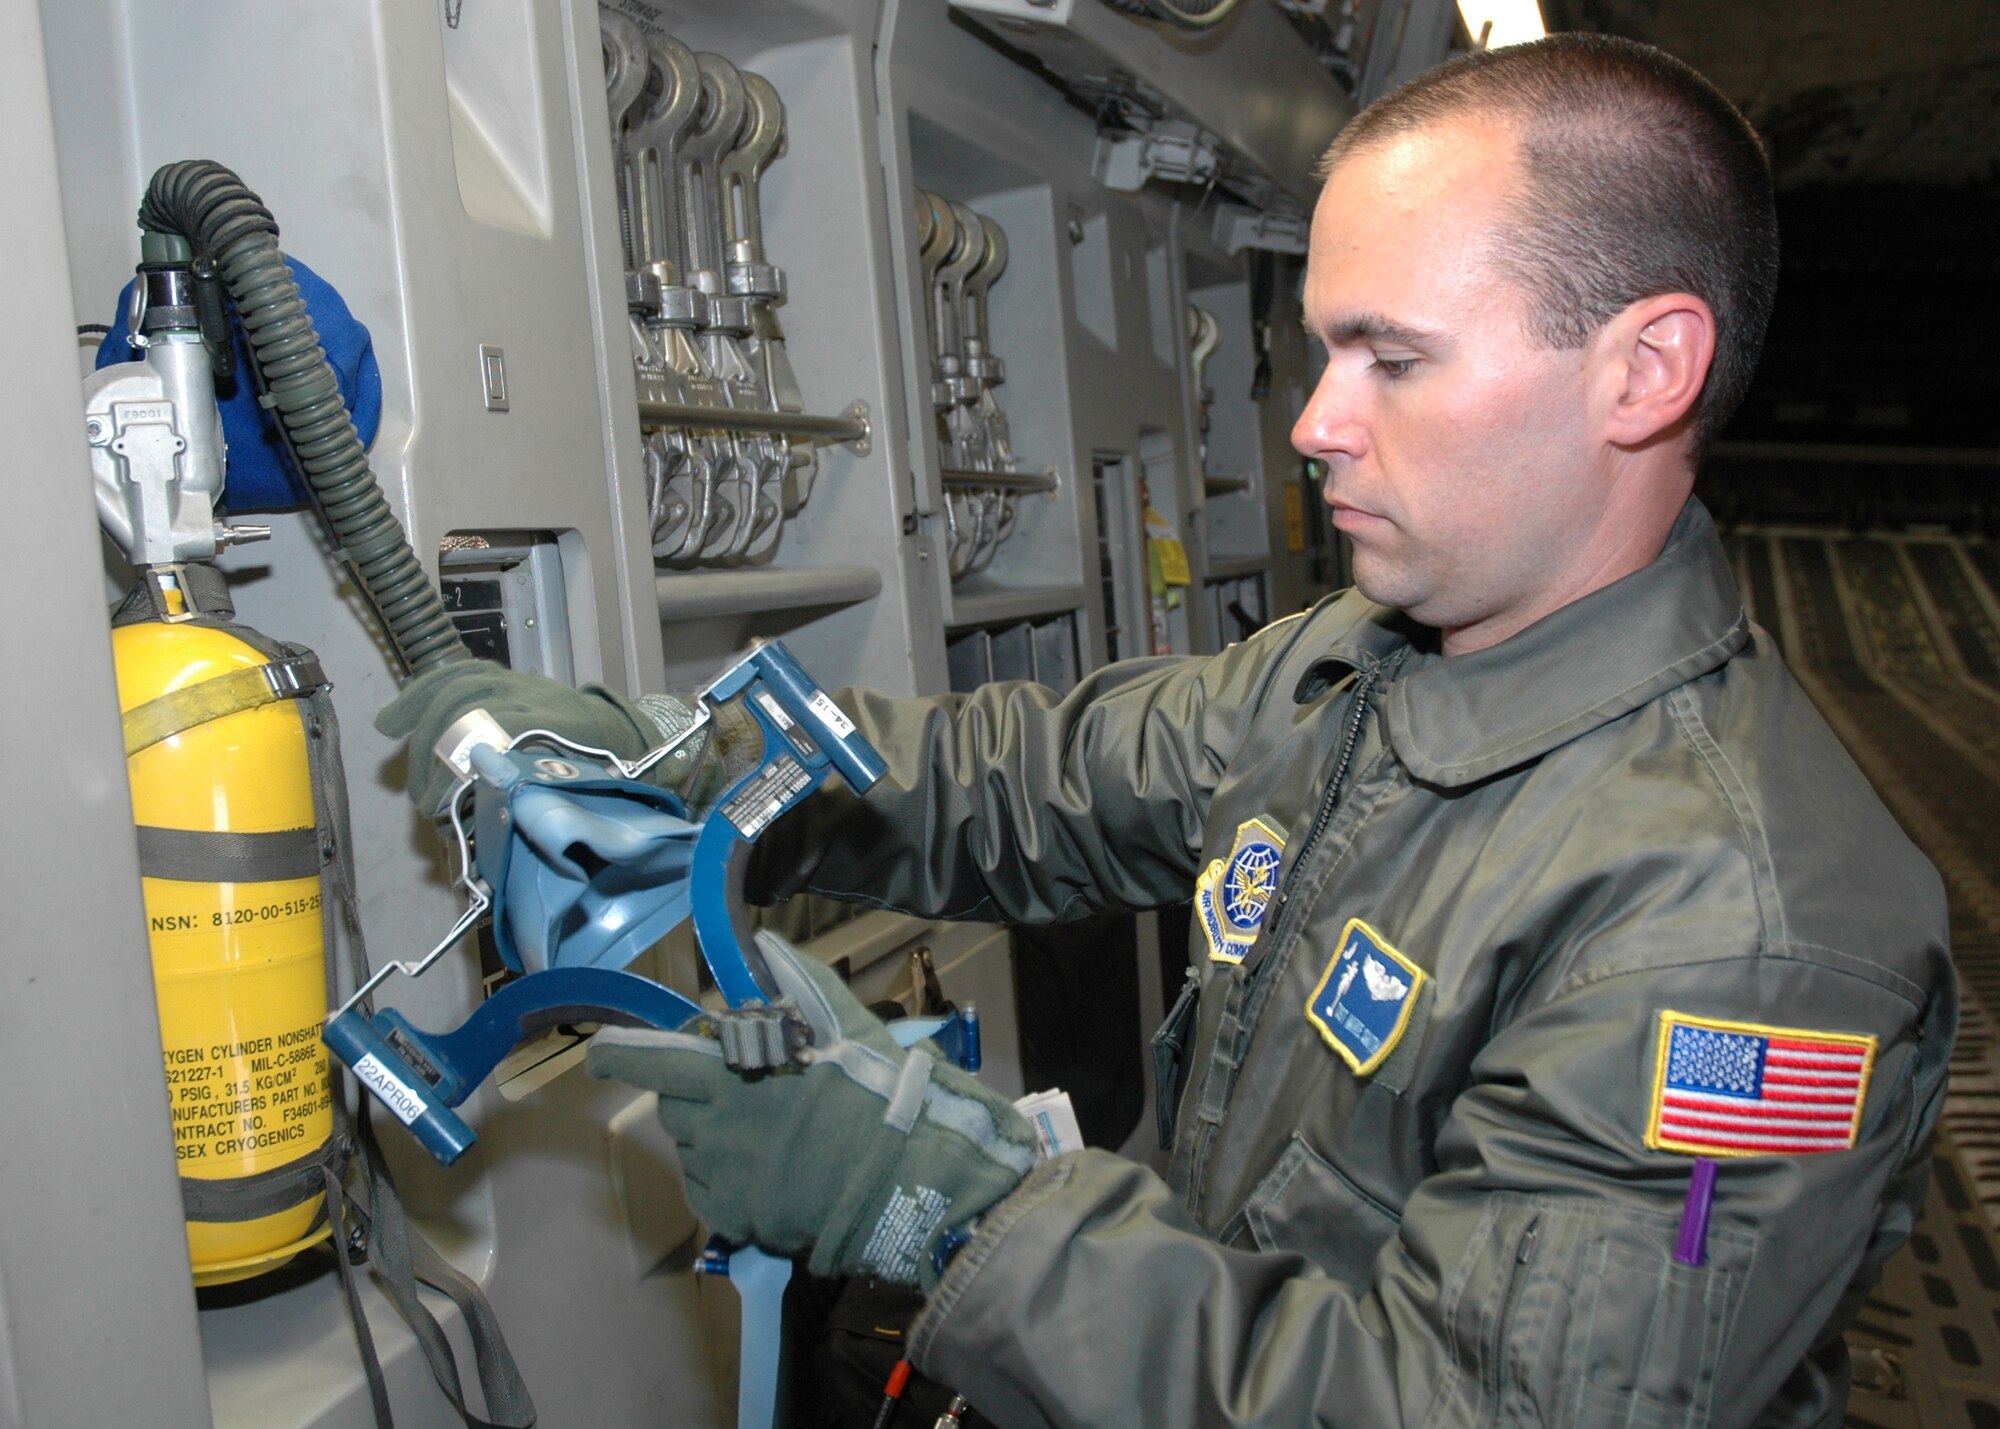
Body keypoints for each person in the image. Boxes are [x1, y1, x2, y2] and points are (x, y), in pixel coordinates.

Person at [381, 34, 1955, 1426]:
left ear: (1646, 368)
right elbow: (1027, 784)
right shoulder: (1359, 668)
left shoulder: (1741, 939)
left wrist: (944, 1202)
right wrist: (675, 756)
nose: (1315, 421)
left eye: (1391, 358)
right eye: (1327, 345)